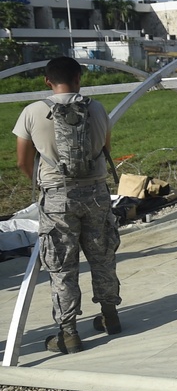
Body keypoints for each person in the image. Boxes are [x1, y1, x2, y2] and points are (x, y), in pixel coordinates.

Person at [13, 56, 122, 354]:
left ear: (47, 81)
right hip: (97, 194)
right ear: (79, 79)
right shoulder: (97, 109)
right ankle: (110, 317)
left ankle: (69, 333)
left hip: (57, 198)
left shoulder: (32, 112)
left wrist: (43, 182)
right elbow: (105, 149)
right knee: (102, 257)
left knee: (62, 266)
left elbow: (23, 160)